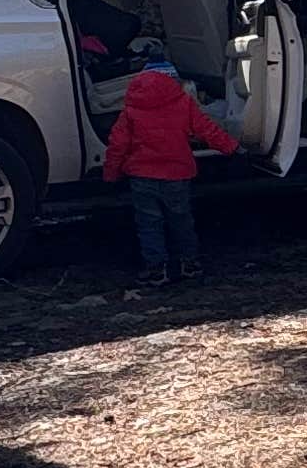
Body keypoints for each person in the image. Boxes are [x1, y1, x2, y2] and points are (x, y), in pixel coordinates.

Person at [100, 34, 235, 284]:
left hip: (142, 177)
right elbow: (207, 130)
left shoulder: (131, 109)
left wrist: (111, 173)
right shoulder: (184, 104)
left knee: (149, 224)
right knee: (181, 219)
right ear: (174, 80)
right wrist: (231, 148)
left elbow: (117, 144)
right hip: (177, 174)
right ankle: (190, 263)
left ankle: (156, 268)